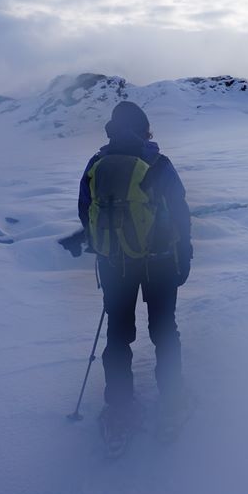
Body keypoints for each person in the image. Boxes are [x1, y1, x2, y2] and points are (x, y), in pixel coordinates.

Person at [78, 101, 193, 450]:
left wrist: (108, 247)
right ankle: (174, 401)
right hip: (159, 261)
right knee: (163, 330)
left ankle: (120, 408)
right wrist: (183, 254)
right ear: (145, 131)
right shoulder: (158, 164)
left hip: (114, 263)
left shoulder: (97, 164)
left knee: (118, 335)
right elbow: (180, 211)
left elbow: (85, 211)